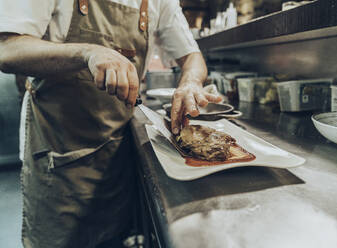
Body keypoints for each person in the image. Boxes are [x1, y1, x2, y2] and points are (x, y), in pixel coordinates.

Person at [0, 0, 221, 247]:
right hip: (61, 157)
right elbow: (7, 49)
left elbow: (192, 56)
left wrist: (190, 81)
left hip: (118, 151)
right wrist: (88, 53)